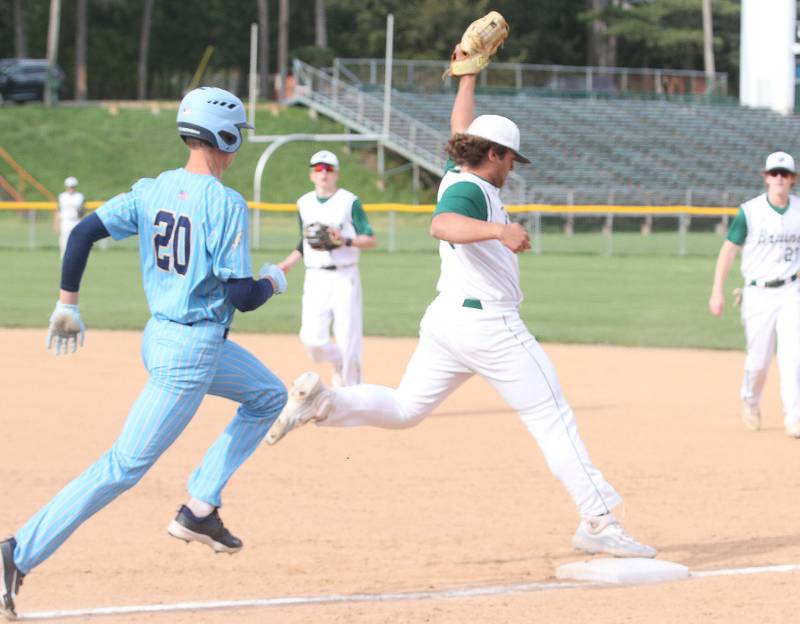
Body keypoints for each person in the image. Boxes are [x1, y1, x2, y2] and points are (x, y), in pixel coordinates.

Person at [264, 47, 657, 559]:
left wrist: (467, 76)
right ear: (493, 154)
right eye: (511, 157)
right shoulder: (470, 190)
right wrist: (500, 230)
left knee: (406, 408)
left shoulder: (458, 168)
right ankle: (599, 521)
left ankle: (326, 403)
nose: (513, 166)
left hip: (447, 321)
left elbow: (461, 127)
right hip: (489, 326)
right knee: (552, 416)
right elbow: (441, 224)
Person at [1, 86, 290, 620]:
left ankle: (201, 506)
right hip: (192, 351)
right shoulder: (225, 202)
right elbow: (242, 297)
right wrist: (277, 277)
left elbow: (84, 232)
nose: (237, 148)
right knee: (122, 466)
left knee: (269, 396)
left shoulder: (152, 188)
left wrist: (68, 303)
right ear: (223, 137)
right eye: (236, 139)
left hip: (162, 335)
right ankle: (18, 551)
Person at [709, 151, 800, 439]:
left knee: (793, 356)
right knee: (759, 360)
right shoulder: (750, 211)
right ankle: (750, 401)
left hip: (792, 290)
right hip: (758, 293)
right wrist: (716, 292)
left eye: (784, 174)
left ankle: (794, 416)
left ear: (793, 179)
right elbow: (728, 251)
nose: (779, 179)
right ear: (766, 177)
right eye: (774, 173)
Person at [278, 150, 376, 387]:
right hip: (315, 277)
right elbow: (304, 241)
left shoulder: (349, 202)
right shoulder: (304, 203)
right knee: (312, 341)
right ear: (312, 174)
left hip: (345, 276)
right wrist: (288, 262)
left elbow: (370, 239)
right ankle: (338, 362)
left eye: (328, 169)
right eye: (318, 169)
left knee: (349, 341)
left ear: (336, 173)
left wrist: (346, 240)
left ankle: (351, 395)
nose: (323, 173)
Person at [54, 176, 85, 258]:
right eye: (69, 186)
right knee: (64, 242)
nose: (71, 188)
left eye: (73, 186)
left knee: (77, 242)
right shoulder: (62, 196)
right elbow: (58, 210)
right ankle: (64, 260)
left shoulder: (80, 196)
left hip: (76, 221)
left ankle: (76, 259)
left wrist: (81, 212)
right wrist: (56, 223)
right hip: (65, 221)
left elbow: (82, 211)